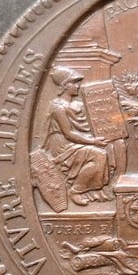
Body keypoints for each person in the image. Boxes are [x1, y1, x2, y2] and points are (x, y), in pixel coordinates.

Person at [43, 66, 109, 206]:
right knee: (99, 155)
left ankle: (93, 190)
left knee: (109, 151)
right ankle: (75, 191)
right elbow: (69, 134)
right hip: (63, 146)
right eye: (74, 83)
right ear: (65, 86)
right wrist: (93, 141)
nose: (78, 86)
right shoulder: (58, 107)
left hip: (73, 142)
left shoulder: (74, 105)